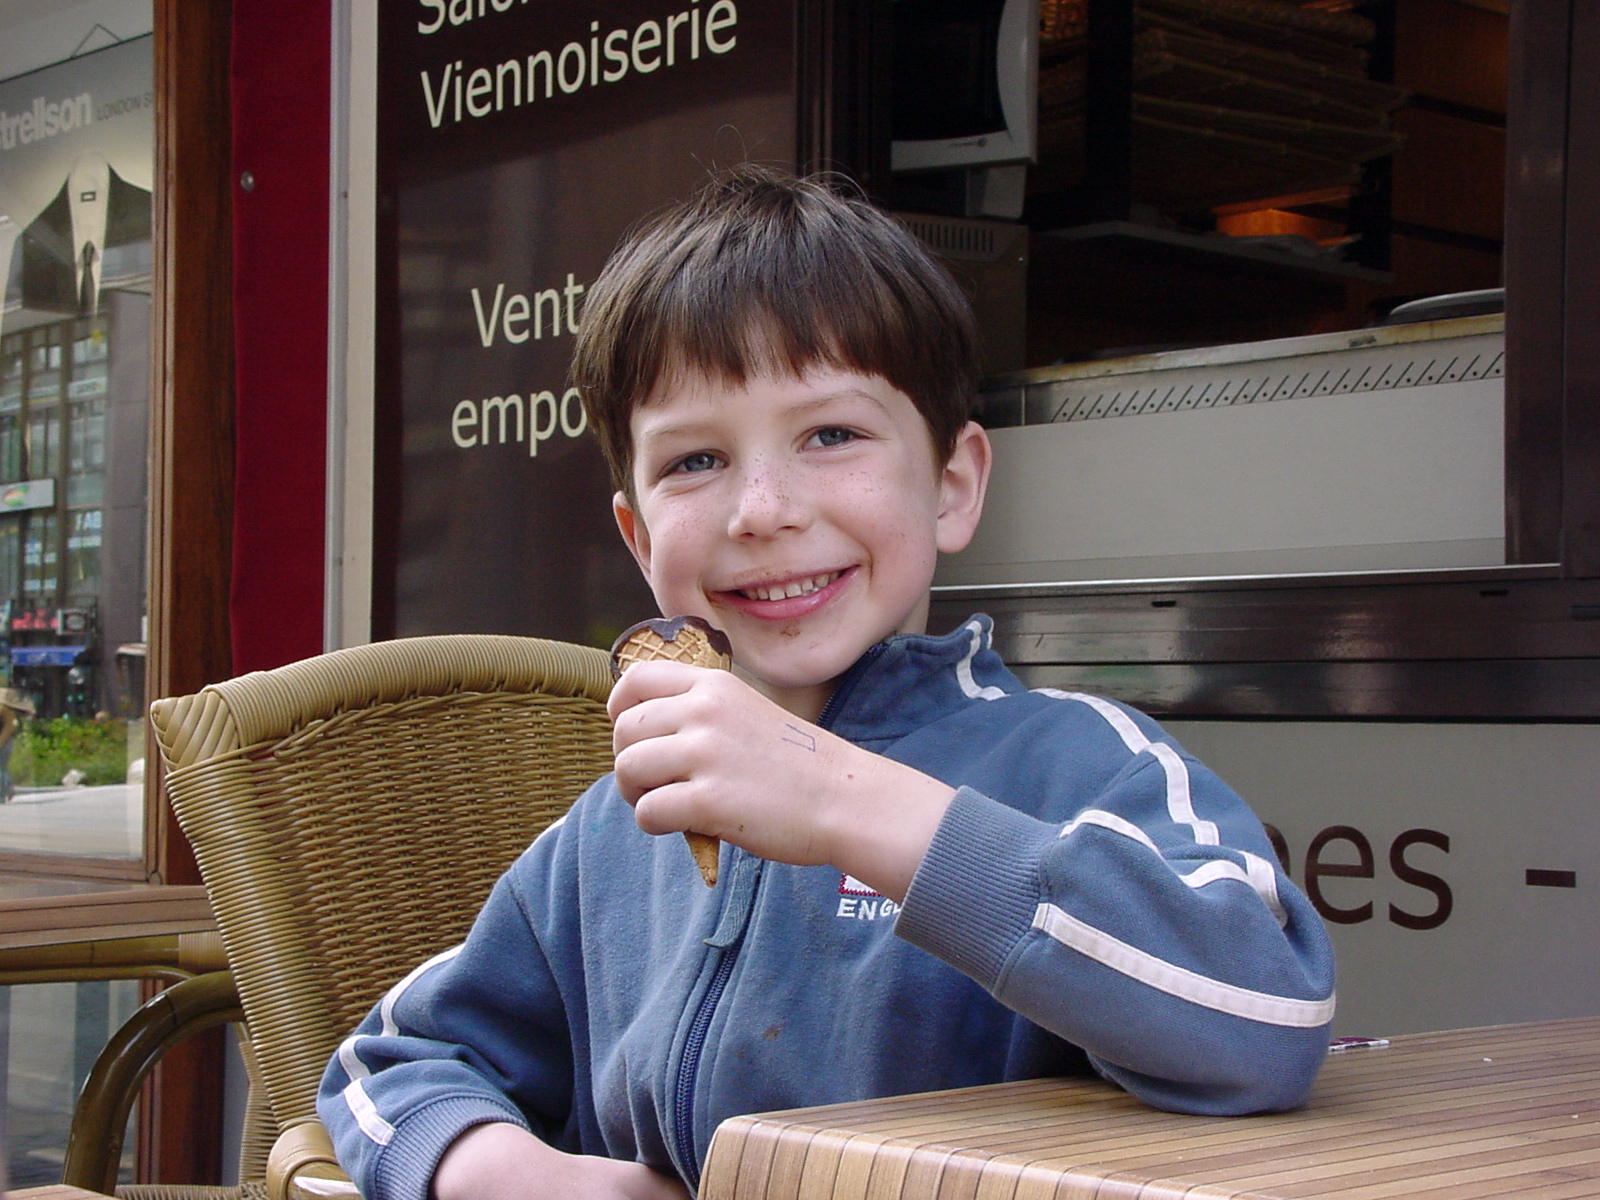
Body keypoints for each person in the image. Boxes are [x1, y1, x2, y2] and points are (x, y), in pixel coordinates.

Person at [318, 165, 1336, 1200]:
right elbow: (388, 1063)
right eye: (694, 461)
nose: (763, 509)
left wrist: (845, 803)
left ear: (951, 485)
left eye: (832, 435)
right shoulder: (611, 836)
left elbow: (1268, 1015)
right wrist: (514, 1177)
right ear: (639, 536)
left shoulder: (1081, 767)